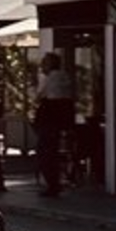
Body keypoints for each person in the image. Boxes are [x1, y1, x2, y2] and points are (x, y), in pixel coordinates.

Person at [34, 50, 78, 197]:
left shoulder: (53, 78)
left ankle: (53, 183)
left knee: (46, 153)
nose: (41, 65)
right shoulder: (62, 78)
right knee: (50, 152)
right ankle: (54, 182)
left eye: (44, 62)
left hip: (50, 122)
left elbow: (41, 97)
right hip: (57, 122)